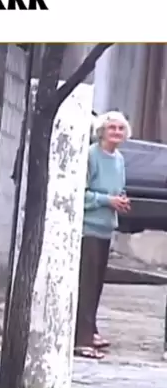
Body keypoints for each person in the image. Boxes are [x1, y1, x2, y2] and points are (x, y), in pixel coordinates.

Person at [74, 110, 131, 360]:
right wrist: (108, 200)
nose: (117, 132)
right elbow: (80, 192)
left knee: (96, 285)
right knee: (86, 284)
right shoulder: (90, 155)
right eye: (112, 128)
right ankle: (81, 339)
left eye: (120, 128)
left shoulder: (119, 159)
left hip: (106, 227)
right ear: (102, 131)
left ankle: (91, 329)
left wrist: (120, 201)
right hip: (88, 227)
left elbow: (118, 189)